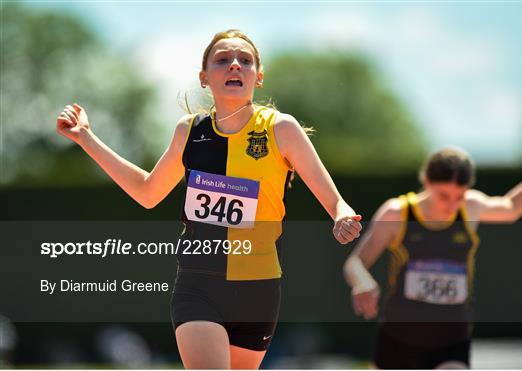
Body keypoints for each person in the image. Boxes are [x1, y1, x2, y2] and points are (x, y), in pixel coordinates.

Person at [57, 29, 362, 369]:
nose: (235, 65)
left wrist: (342, 216)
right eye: (223, 60)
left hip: (258, 288)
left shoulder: (281, 129)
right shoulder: (189, 132)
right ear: (205, 78)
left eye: (245, 61)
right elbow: (147, 192)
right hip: (199, 283)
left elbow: (335, 200)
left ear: (258, 77)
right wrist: (86, 138)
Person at [343, 147, 522, 369]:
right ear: (426, 181)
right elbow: (355, 262)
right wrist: (363, 281)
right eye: (444, 196)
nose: (452, 206)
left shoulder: (471, 208)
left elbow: (511, 208)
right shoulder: (397, 213)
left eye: (460, 196)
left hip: (451, 340)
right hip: (399, 339)